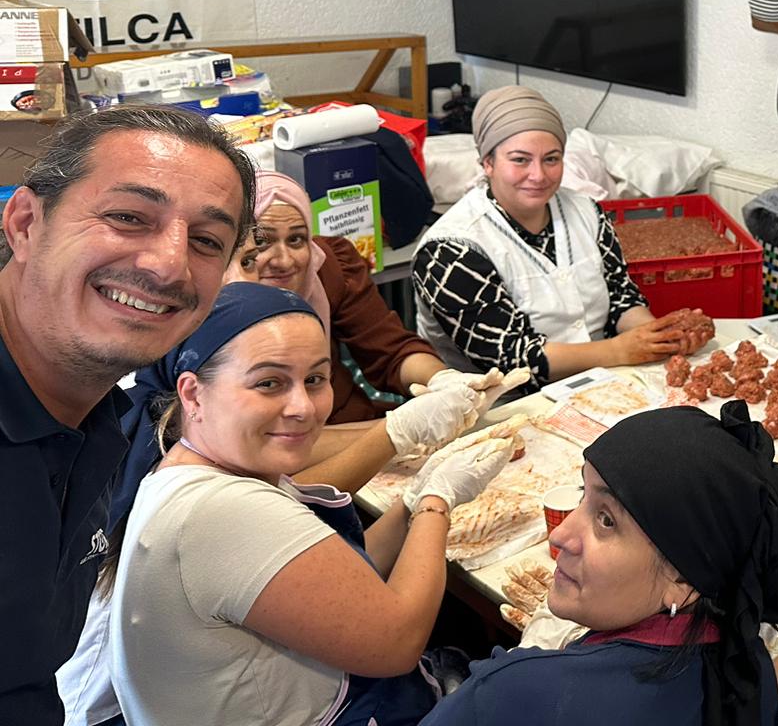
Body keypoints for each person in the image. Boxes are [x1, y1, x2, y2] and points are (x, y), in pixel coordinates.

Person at [59, 289, 486, 726]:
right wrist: (436, 503)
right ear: (193, 395)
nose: (303, 407)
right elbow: (396, 642)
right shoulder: (224, 512)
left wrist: (408, 506)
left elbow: (337, 591)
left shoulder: (191, 467)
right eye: (269, 383)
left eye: (315, 380)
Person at [0, 105, 255, 725]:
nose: (168, 265)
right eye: (127, 217)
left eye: (206, 241)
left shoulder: (94, 422)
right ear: (26, 223)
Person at [420, 402, 778, 726]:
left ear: (682, 578)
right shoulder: (750, 671)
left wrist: (535, 669)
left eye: (606, 520)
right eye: (583, 495)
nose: (560, 536)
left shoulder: (511, 694)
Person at [413, 85, 685, 383]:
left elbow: (621, 297)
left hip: (604, 380)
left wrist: (655, 338)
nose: (538, 175)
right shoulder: (450, 249)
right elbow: (510, 358)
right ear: (488, 163)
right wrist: (619, 351)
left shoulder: (586, 211)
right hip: (502, 401)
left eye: (551, 159)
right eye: (520, 160)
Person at [233, 169, 452, 422]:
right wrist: (394, 434)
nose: (284, 261)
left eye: (296, 240)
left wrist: (443, 381)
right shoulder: (207, 305)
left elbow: (389, 349)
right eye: (262, 242)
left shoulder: (327, 267)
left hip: (347, 419)